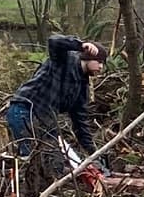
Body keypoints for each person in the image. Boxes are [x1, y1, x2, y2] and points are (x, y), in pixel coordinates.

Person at [7, 34, 106, 172]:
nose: (101, 67)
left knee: (54, 161)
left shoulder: (82, 87)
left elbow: (80, 122)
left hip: (46, 121)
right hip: (24, 110)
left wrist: (93, 152)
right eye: (99, 61)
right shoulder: (65, 59)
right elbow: (54, 41)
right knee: (30, 159)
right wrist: (80, 44)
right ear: (88, 57)